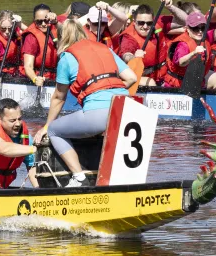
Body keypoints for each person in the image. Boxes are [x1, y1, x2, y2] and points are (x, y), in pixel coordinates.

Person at [32, 20, 137, 187]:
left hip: (99, 113)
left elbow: (59, 97)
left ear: (61, 38)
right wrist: (108, 88)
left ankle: (78, 177)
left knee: (54, 130)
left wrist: (45, 127)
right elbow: (132, 78)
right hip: (127, 109)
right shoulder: (106, 49)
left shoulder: (67, 57)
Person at [162, 0, 216, 89]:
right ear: (187, 28)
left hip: (197, 83)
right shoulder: (182, 44)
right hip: (177, 86)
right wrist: (194, 53)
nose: (200, 32)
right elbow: (181, 62)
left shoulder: (205, 37)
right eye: (195, 28)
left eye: (202, 28)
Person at [116, 3, 167, 86]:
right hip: (139, 77)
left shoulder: (157, 25)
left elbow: (183, 22)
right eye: (141, 23)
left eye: (149, 23)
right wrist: (134, 57)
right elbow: (126, 54)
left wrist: (171, 7)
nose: (145, 26)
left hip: (161, 75)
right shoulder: (128, 38)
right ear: (134, 22)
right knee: (151, 83)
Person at [21, 4, 58, 86]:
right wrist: (35, 79)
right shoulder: (31, 37)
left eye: (46, 20)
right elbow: (28, 66)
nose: (44, 24)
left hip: (57, 76)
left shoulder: (57, 28)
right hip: (40, 77)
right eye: (39, 22)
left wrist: (56, 22)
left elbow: (70, 32)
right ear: (34, 21)